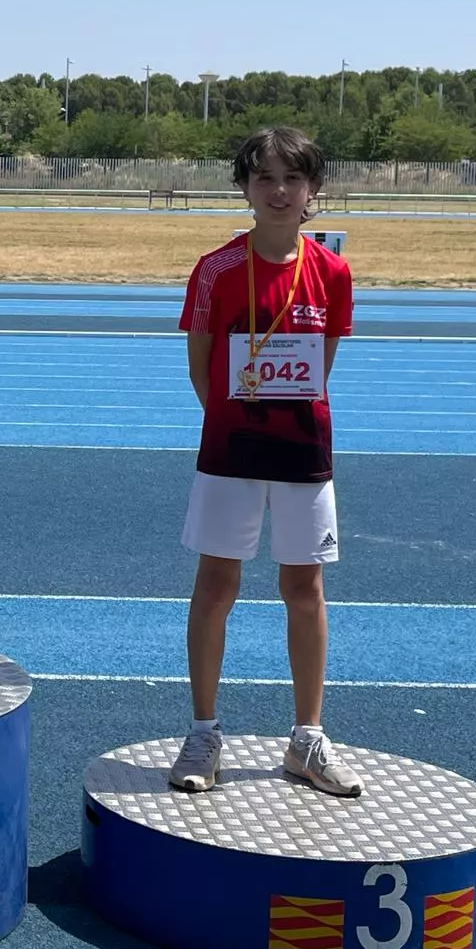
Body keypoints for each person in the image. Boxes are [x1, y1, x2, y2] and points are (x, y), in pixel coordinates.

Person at [169, 127, 362, 797]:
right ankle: (203, 733)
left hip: (304, 447)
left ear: (314, 190)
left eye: (292, 179)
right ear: (245, 188)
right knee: (215, 586)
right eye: (264, 178)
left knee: (305, 589)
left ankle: (307, 739)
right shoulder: (216, 269)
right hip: (231, 448)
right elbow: (201, 368)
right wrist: (236, 415)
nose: (279, 191)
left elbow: (322, 365)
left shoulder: (332, 272)